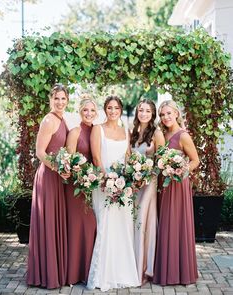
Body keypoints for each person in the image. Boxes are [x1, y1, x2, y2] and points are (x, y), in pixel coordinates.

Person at [87, 96, 140, 291]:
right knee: (106, 227)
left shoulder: (125, 130)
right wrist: (107, 181)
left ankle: (123, 273)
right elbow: (96, 157)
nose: (113, 111)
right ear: (105, 109)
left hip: (123, 186)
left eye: (116, 107)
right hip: (104, 185)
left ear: (120, 110)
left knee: (123, 228)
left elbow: (127, 157)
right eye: (109, 107)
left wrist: (130, 178)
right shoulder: (97, 129)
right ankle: (103, 276)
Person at [27, 83, 70, 289]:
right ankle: (46, 275)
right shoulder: (48, 120)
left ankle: (55, 271)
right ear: (50, 100)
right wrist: (57, 168)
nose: (60, 102)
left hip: (58, 177)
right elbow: (40, 152)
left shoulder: (63, 119)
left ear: (67, 100)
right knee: (48, 223)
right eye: (56, 98)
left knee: (54, 223)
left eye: (63, 98)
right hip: (48, 177)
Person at [153, 100, 199, 286]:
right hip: (164, 185)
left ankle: (181, 272)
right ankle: (167, 270)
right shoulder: (163, 133)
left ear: (176, 114)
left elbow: (195, 160)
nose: (165, 117)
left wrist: (181, 170)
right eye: (162, 115)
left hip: (179, 185)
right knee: (166, 224)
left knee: (178, 224)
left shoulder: (183, 136)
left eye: (168, 113)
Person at [130, 99, 165, 285]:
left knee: (144, 221)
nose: (144, 113)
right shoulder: (132, 133)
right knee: (134, 221)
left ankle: (144, 269)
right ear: (137, 112)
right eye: (141, 110)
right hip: (135, 184)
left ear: (152, 115)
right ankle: (132, 264)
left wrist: (147, 172)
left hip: (149, 183)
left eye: (148, 111)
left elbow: (162, 161)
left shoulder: (157, 134)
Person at [65, 96, 97, 285]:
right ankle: (74, 274)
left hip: (92, 185)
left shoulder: (96, 131)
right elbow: (69, 160)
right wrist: (81, 175)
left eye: (92, 111)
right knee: (78, 226)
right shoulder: (75, 131)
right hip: (76, 186)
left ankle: (88, 271)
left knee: (91, 225)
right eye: (85, 110)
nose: (89, 114)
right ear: (79, 112)